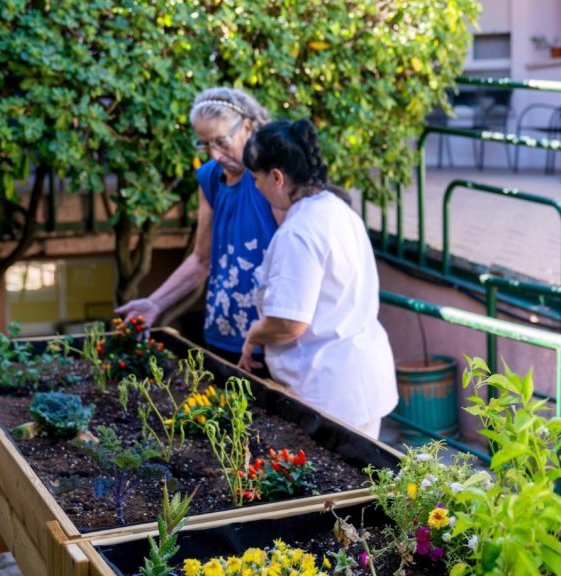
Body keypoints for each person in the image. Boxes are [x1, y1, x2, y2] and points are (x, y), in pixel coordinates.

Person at [237, 119, 397, 440]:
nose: (256, 187)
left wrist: (254, 335)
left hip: (328, 390)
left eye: (256, 179)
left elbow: (289, 323)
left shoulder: (300, 232)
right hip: (357, 378)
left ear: (277, 177)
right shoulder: (337, 210)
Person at [115, 87, 284, 365]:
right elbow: (201, 259)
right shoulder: (209, 178)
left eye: (221, 141)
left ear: (247, 127)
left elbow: (288, 259)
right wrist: (155, 302)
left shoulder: (270, 178)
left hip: (265, 343)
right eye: (205, 145)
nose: (215, 154)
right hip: (220, 334)